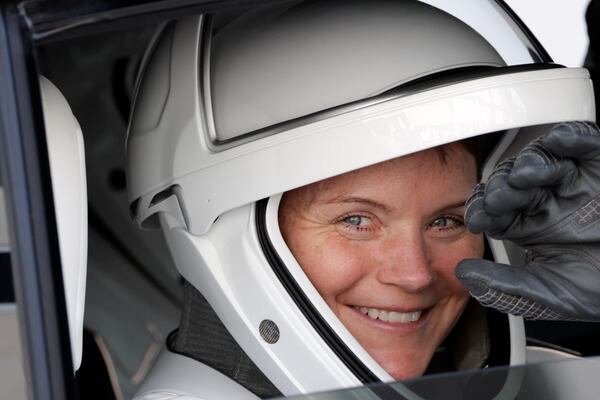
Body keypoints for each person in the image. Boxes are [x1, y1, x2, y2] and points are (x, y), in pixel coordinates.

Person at [124, 1, 595, 399]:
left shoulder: (556, 368)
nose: (413, 274)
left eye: (447, 221)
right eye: (356, 220)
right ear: (223, 229)